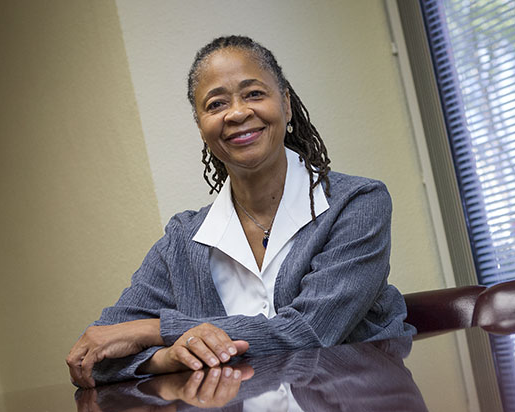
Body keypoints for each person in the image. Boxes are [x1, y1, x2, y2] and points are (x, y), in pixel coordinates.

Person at [67, 35, 413, 387]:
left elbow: (307, 335)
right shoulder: (183, 242)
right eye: (216, 104)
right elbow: (93, 355)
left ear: (287, 105)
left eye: (254, 94)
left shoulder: (356, 204)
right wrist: (167, 358)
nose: (236, 113)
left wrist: (156, 330)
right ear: (201, 126)